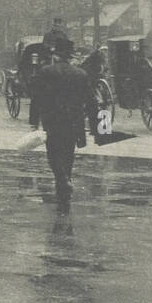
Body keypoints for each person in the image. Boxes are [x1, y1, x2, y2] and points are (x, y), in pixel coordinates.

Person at [30, 35, 98, 206]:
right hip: (74, 120)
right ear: (70, 57)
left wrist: (34, 121)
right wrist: (97, 127)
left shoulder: (46, 72)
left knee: (53, 152)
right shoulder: (81, 74)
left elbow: (36, 97)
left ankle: (61, 179)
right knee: (68, 152)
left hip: (52, 119)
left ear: (55, 55)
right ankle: (66, 178)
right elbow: (91, 101)